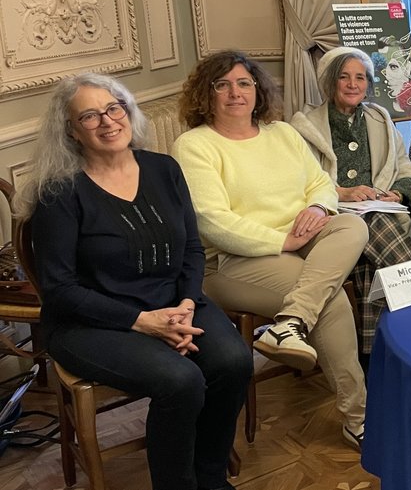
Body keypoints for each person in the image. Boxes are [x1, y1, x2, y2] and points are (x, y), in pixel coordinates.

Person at [19, 74, 252, 490]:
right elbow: (60, 289)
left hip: (172, 302)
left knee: (233, 362)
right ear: (71, 130)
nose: (107, 121)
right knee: (181, 381)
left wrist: (184, 304)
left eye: (114, 108)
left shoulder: (164, 169)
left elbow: (192, 251)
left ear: (128, 112)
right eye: (89, 115)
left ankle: (210, 477)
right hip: (90, 320)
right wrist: (142, 321)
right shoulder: (60, 193)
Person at [171, 51, 369, 449]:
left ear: (257, 90)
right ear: (205, 95)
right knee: (328, 299)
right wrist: (283, 242)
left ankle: (289, 323)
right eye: (222, 85)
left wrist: (317, 207)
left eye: (244, 83)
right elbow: (213, 222)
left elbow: (321, 182)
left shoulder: (281, 132)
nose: (235, 93)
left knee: (352, 223)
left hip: (299, 237)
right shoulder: (194, 145)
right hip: (232, 260)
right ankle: (359, 418)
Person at [290, 46, 411, 363]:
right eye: (344, 77)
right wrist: (341, 193)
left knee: (368, 262)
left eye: (360, 77)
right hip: (332, 218)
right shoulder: (303, 127)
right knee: (373, 226)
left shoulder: (380, 118)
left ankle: (372, 359)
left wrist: (399, 194)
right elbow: (296, 182)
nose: (352, 84)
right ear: (330, 83)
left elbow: (404, 167)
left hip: (379, 211)